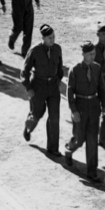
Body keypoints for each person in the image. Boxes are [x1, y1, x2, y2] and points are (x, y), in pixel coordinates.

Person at [65, 41, 105, 181]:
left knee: (92, 140)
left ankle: (92, 172)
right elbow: (69, 92)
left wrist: (104, 106)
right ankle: (69, 149)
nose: (93, 56)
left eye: (94, 53)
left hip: (94, 107)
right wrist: (74, 110)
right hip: (81, 106)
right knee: (79, 138)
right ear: (83, 54)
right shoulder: (75, 70)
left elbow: (102, 88)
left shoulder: (97, 68)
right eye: (90, 54)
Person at [21, 23, 64, 154]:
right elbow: (25, 70)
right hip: (38, 86)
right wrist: (28, 87)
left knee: (54, 118)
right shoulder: (34, 50)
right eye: (50, 37)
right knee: (37, 113)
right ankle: (28, 128)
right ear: (43, 38)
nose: (52, 39)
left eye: (53, 37)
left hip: (53, 87)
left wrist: (58, 81)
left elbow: (60, 68)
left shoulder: (57, 49)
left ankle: (53, 148)